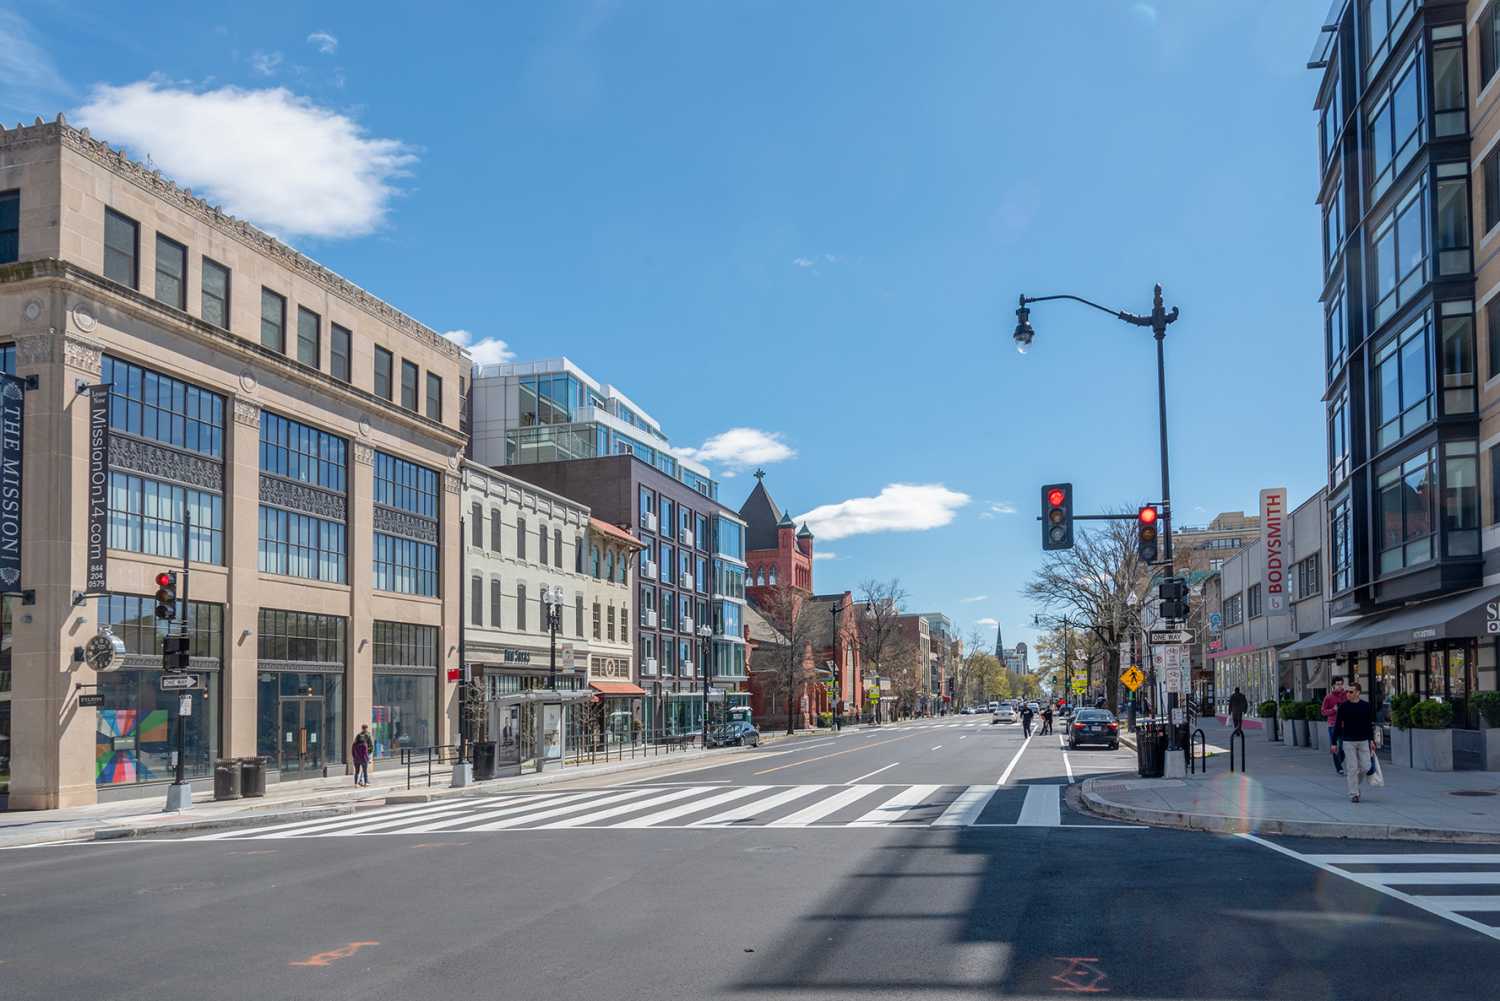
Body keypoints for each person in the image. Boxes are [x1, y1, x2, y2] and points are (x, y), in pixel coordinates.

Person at [1333, 683, 1377, 802]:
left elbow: (1369, 725)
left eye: (1351, 692)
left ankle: (1355, 785)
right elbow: (1337, 725)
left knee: (1366, 766)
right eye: (1347, 692)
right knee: (1352, 768)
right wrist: (1333, 742)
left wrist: (1371, 740)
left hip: (1363, 741)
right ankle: (1354, 794)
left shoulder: (1366, 706)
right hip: (1348, 741)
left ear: (1358, 692)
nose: (1348, 694)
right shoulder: (1343, 707)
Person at [1321, 676, 1348, 775]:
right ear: (1333, 685)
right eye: (1338, 684)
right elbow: (1323, 712)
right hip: (1333, 725)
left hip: (1345, 725)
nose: (1340, 686)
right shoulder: (1328, 697)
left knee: (1343, 747)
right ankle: (1339, 768)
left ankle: (1338, 763)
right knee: (1335, 746)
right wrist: (1333, 710)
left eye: (1341, 684)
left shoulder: (1346, 695)